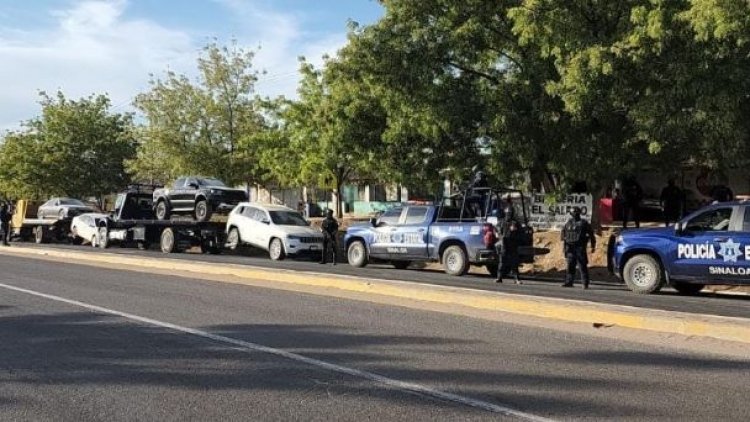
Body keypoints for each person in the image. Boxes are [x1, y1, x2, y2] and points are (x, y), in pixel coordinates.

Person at [561, 207, 596, 289]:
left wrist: (593, 245)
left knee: (582, 266)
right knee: (570, 265)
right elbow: (563, 234)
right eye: (573, 213)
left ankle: (585, 283)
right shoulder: (568, 223)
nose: (574, 214)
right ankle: (569, 282)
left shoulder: (583, 223)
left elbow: (591, 234)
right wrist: (564, 248)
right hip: (570, 247)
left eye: (575, 213)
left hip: (580, 247)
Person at [494, 204, 522, 284]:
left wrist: (515, 230)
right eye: (508, 213)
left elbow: (521, 234)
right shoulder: (501, 221)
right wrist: (497, 234)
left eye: (510, 213)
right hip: (503, 244)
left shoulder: (515, 223)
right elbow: (496, 229)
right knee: (502, 262)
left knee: (514, 263)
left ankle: (516, 279)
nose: (509, 214)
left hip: (512, 244)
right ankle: (499, 278)